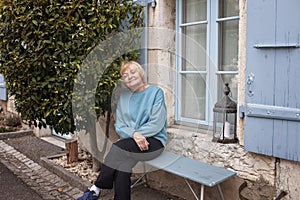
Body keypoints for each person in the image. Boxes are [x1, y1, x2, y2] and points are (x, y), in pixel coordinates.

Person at [77, 61, 168, 200]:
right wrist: (134, 135)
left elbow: (157, 123)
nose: (130, 77)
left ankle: (96, 188)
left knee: (119, 147)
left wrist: (136, 134)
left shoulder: (156, 93)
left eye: (133, 72)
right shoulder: (124, 97)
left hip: (154, 142)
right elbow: (120, 125)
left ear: (141, 74)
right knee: (122, 167)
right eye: (125, 75)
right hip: (132, 142)